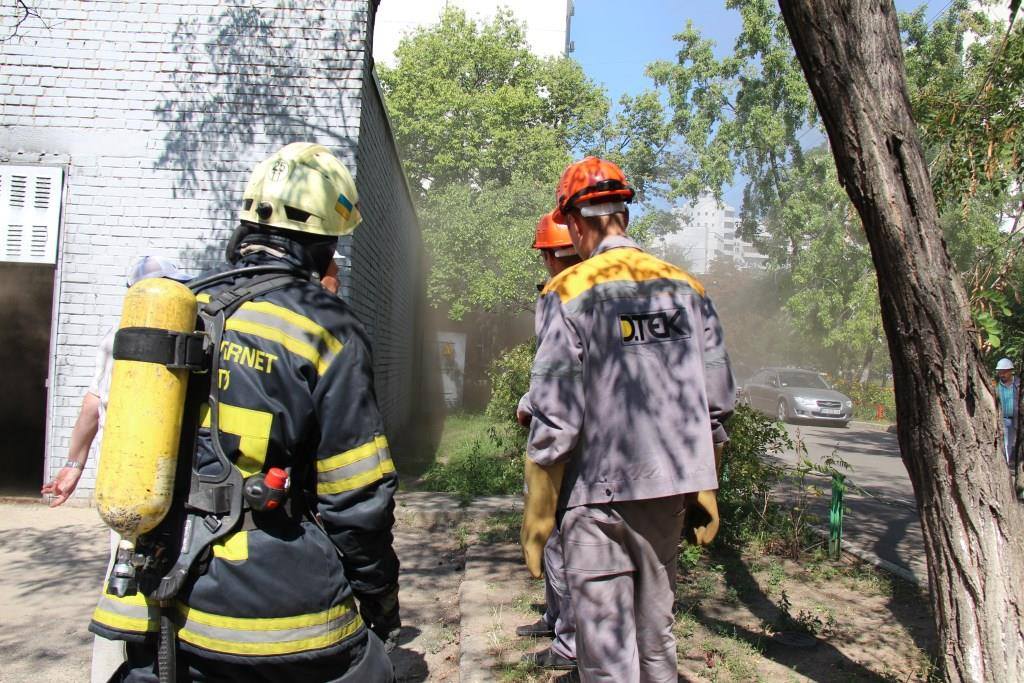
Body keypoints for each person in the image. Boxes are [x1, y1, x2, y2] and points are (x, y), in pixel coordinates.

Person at [90, 143, 400, 682]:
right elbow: (357, 495)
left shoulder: (187, 305)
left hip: (151, 592)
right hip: (267, 611)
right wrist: (377, 599)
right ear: (326, 245)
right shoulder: (326, 327)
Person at [525, 157, 735, 682]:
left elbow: (555, 417)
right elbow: (716, 401)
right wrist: (706, 486)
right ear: (624, 214)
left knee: (605, 653)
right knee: (656, 637)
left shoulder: (566, 293)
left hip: (594, 501)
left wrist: (538, 513)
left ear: (574, 223)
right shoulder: (688, 289)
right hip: (666, 497)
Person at [42, 255, 191, 683]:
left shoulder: (119, 333)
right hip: (177, 478)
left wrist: (74, 465)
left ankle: (113, 669)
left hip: (133, 476)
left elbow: (93, 403)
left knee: (125, 573)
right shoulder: (197, 328)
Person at [515, 212, 581, 672]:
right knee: (554, 541)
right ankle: (556, 617)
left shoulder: (571, 295)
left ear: (553, 254)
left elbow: (569, 375)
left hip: (567, 440)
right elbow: (552, 368)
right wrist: (530, 397)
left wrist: (534, 405)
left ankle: (569, 644)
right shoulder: (565, 293)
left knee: (561, 542)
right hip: (557, 424)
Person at [996, 357, 1019, 467]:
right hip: (1004, 419)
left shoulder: (1019, 383)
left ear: (1010, 371)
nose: (1002, 374)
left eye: (1004, 372)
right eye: (1000, 372)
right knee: (1007, 443)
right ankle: (1007, 466)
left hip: (1019, 418)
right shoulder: (995, 386)